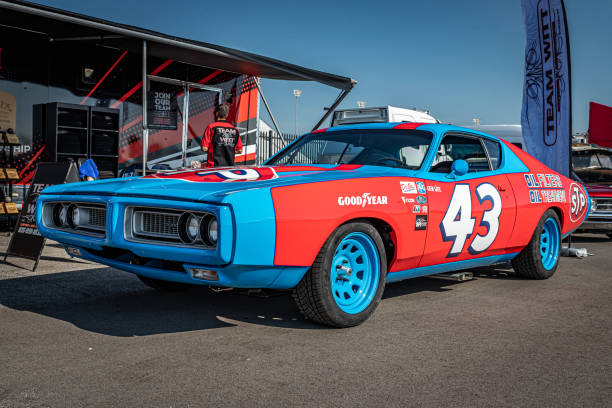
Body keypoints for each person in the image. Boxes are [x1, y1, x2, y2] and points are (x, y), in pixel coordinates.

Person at [201, 103, 243, 167]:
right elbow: (239, 150)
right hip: (229, 167)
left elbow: (204, 148)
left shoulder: (211, 127)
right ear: (227, 115)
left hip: (214, 167)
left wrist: (218, 148)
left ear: (217, 113)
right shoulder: (235, 130)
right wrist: (227, 149)